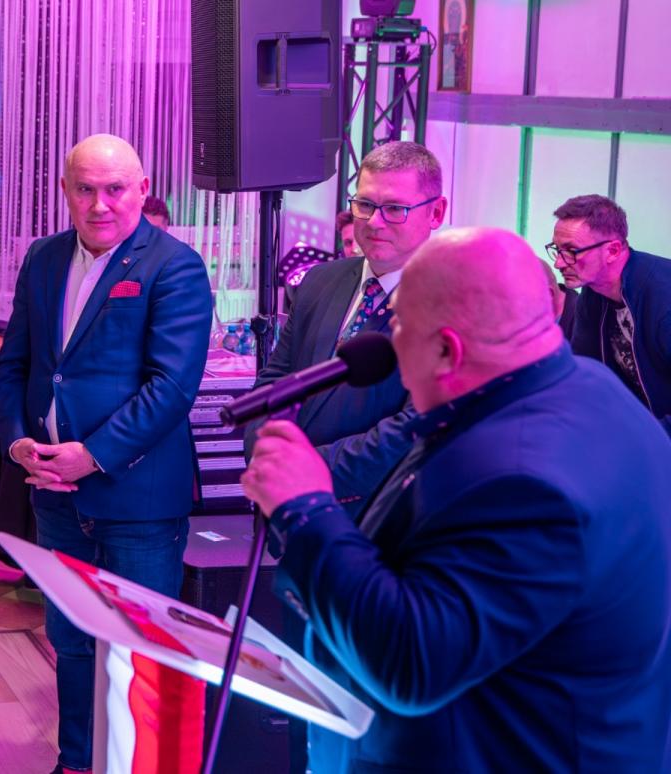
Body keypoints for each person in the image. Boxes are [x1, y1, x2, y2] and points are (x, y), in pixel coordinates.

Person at [242, 227, 671, 772]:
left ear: (447, 350)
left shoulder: (520, 480)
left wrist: (307, 510)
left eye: (399, 327)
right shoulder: (595, 391)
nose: (390, 348)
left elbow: (413, 660)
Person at [0, 134, 212, 773]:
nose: (99, 204)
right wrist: (19, 443)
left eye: (115, 189)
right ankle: (76, 763)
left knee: (141, 651)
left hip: (139, 499)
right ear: (64, 191)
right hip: (55, 494)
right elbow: (16, 366)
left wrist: (91, 455)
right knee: (71, 640)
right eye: (85, 189)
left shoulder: (174, 266)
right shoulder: (43, 258)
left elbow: (171, 388)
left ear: (141, 190)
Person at [248, 141, 446, 510]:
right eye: (365, 204)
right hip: (286, 511)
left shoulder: (451, 303)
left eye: (395, 209)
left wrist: (303, 471)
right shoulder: (321, 280)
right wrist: (264, 450)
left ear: (436, 213)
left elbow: (415, 427)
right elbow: (276, 382)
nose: (374, 222)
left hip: (376, 518)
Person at [549, 194, 671, 431]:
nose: (559, 263)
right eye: (557, 249)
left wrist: (641, 436)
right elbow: (584, 374)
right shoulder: (593, 293)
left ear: (613, 250)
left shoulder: (664, 298)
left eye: (572, 251)